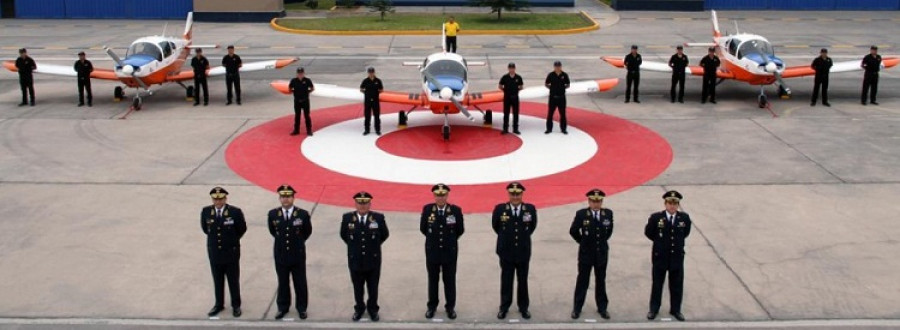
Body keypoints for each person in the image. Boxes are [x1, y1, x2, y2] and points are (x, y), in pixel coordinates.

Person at [340, 192, 389, 322]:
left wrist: (372, 248)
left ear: (370, 204)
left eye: (365, 203)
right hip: (355, 259)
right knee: (357, 287)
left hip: (373, 260)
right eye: (360, 203)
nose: (362, 206)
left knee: (373, 288)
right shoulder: (347, 218)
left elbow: (384, 235)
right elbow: (344, 235)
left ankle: (373, 309)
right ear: (355, 204)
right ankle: (359, 309)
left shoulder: (378, 218)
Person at [492, 182, 538, 320]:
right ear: (509, 194)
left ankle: (523, 307)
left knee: (522, 281)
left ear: (522, 194)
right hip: (506, 252)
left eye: (518, 194)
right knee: (506, 280)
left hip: (523, 251)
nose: (515, 196)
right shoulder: (500, 209)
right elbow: (496, 227)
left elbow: (532, 227)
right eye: (513, 194)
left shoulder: (529, 209)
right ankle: (504, 307)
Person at [644, 190, 692, 322]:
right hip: (660, 257)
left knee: (676, 285)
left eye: (675, 203)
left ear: (678, 205)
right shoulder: (656, 218)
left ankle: (676, 310)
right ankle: (654, 309)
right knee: (657, 284)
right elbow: (649, 233)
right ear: (665, 204)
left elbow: (685, 233)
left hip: (676, 257)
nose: (672, 206)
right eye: (670, 203)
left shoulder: (684, 218)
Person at [420, 183, 465, 320]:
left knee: (449, 281)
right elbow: (423, 229)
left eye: (443, 195)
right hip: (433, 251)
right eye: (438, 195)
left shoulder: (455, 211)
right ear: (434, 196)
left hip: (449, 252)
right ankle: (432, 306)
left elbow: (460, 230)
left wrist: (449, 241)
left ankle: (450, 307)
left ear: (447, 195)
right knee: (433, 280)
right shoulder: (428, 210)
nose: (440, 198)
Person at [267, 185, 312, 320]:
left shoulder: (302, 214)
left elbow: (307, 231)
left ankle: (302, 308)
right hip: (281, 254)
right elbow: (273, 231)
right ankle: (283, 307)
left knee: (300, 282)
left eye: (288, 197)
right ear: (280, 198)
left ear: (293, 198)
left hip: (297, 254)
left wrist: (297, 242)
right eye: (283, 197)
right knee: (283, 282)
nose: (286, 199)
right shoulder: (273, 214)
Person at [201, 187, 247, 318]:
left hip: (230, 252)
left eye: (220, 198)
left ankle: (236, 305)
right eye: (215, 199)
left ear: (225, 198)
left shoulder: (235, 212)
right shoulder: (206, 212)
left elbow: (241, 229)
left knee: (233, 279)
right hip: (215, 252)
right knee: (217, 279)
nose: (218, 201)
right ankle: (219, 304)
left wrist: (231, 241)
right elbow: (205, 229)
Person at [569, 189, 613, 320]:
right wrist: (582, 242)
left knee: (601, 281)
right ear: (589, 201)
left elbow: (609, 231)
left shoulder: (608, 214)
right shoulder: (582, 214)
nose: (596, 203)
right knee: (582, 281)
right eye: (593, 201)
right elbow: (573, 231)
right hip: (586, 254)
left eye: (598, 201)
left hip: (601, 253)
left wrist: (601, 242)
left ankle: (602, 308)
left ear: (601, 201)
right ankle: (577, 308)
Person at [545, 61, 570, 134]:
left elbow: (568, 84)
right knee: (550, 114)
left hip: (562, 98)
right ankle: (549, 129)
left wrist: (561, 88)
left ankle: (563, 129)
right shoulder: (551, 75)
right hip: (553, 98)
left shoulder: (564, 75)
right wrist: (552, 88)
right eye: (556, 66)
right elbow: (546, 84)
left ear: (561, 67)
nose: (557, 67)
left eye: (559, 66)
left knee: (563, 114)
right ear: (554, 67)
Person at [289, 67, 315, 136]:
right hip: (297, 101)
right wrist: (294, 93)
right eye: (299, 73)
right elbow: (290, 88)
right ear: (297, 74)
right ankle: (296, 130)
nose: (300, 74)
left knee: (307, 116)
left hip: (305, 101)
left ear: (303, 73)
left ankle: (309, 130)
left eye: (301, 73)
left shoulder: (307, 80)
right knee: (297, 116)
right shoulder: (293, 81)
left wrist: (307, 92)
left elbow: (312, 88)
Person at [498, 62, 523, 135]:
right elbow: (500, 86)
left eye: (513, 68)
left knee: (516, 114)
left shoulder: (518, 77)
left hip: (515, 98)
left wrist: (516, 90)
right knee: (506, 113)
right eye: (510, 68)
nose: (511, 69)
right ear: (508, 69)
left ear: (514, 69)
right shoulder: (505, 77)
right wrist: (505, 91)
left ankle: (515, 129)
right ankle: (505, 129)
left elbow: (521, 86)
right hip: (507, 98)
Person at [359, 67, 383, 135]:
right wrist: (367, 93)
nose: (371, 74)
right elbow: (361, 88)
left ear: (374, 72)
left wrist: (375, 93)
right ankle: (367, 130)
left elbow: (381, 89)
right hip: (367, 101)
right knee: (367, 116)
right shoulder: (365, 81)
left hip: (375, 101)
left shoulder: (378, 81)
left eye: (372, 72)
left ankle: (377, 130)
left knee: (377, 116)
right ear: (368, 73)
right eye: (370, 72)